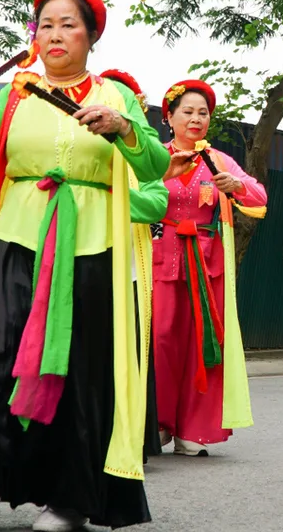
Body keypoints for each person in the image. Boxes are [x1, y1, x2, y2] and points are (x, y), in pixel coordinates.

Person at [0, 0, 169, 531]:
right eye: (45, 25)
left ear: (90, 36)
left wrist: (125, 129)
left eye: (68, 25)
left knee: (79, 371)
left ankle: (68, 500)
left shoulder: (117, 97)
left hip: (92, 242)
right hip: (15, 235)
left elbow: (154, 166)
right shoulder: (14, 93)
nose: (54, 35)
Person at [153, 79, 268, 457]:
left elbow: (259, 197)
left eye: (202, 113)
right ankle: (156, 422)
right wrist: (161, 175)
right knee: (160, 339)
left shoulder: (219, 160)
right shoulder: (155, 156)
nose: (196, 119)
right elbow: (132, 189)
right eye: (187, 111)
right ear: (169, 117)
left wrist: (235, 185)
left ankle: (192, 428)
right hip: (160, 257)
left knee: (201, 342)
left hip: (206, 265)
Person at [101, 69, 168, 462]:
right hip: (75, 260)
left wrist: (108, 196)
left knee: (125, 359)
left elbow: (158, 202)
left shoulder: (142, 155)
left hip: (127, 268)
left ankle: (127, 442)